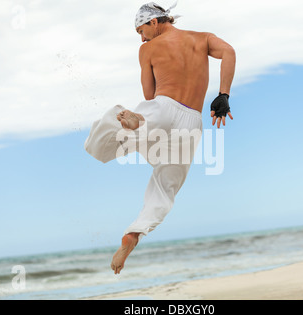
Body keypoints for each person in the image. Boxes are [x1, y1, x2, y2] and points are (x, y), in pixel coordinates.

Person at [84, 2, 236, 274]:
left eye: (141, 31)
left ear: (154, 22)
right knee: (166, 187)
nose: (142, 38)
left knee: (111, 138)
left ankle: (135, 123)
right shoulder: (203, 39)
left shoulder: (148, 49)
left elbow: (149, 94)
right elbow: (229, 52)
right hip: (192, 120)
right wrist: (223, 94)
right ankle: (135, 232)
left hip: (161, 108)